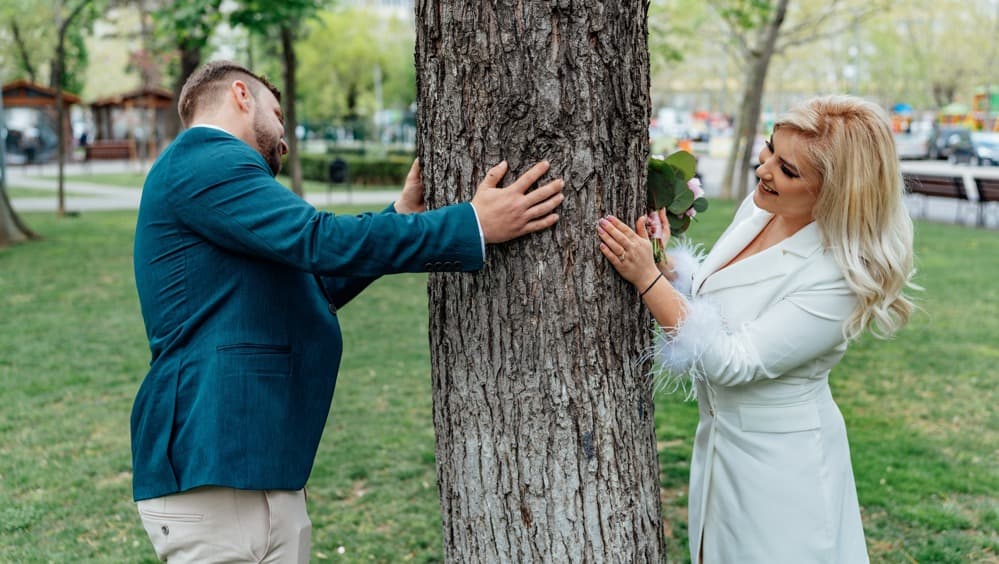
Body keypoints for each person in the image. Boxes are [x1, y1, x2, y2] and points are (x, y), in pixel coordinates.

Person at [131, 60, 565, 563]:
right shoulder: (205, 160)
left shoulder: (212, 176)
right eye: (279, 114)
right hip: (212, 465)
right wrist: (470, 224)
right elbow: (318, 239)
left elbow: (312, 282)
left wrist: (402, 214)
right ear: (240, 96)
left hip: (257, 470)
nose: (284, 140)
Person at [597, 95, 916, 563]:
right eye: (769, 150)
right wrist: (666, 268)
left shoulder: (839, 278)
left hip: (784, 471)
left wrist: (644, 279)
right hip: (722, 448)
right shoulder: (763, 207)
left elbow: (733, 361)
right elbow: (724, 305)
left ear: (835, 191)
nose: (764, 171)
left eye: (789, 170)